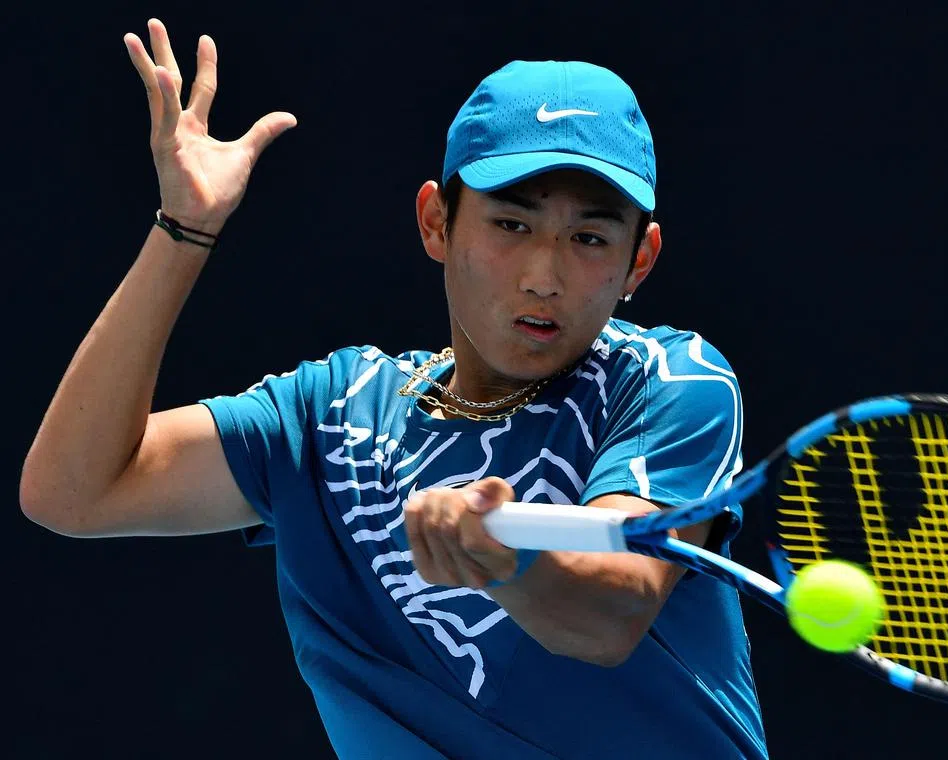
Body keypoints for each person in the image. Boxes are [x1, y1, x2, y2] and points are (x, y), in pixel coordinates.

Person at [20, 18, 767, 760]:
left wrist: (508, 561)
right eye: (511, 224)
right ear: (436, 223)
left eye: (590, 239)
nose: (545, 276)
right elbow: (75, 492)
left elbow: (612, 610)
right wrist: (183, 230)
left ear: (641, 261)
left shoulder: (670, 383)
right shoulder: (327, 417)